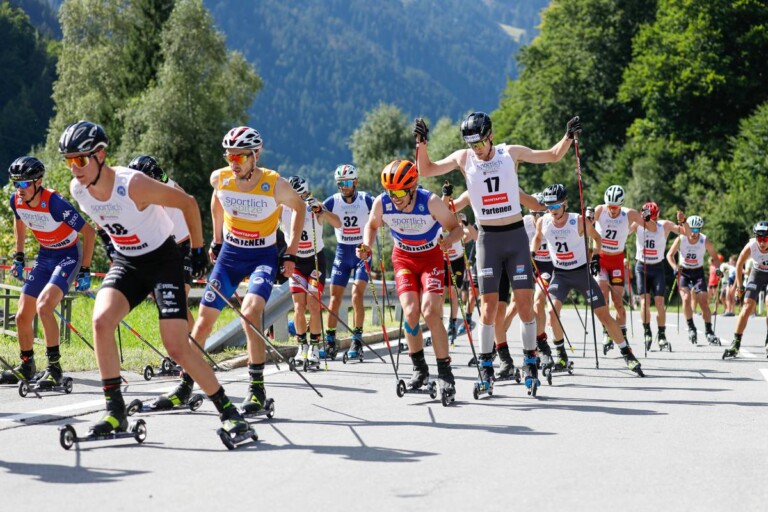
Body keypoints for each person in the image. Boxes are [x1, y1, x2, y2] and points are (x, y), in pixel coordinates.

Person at [60, 120, 249, 437]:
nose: (74, 169)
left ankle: (228, 411)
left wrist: (199, 250)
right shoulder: (78, 189)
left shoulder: (132, 184)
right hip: (128, 262)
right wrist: (110, 241)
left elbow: (188, 203)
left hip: (163, 261)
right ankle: (115, 412)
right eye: (69, 161)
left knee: (176, 347)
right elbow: (107, 220)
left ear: (100, 155)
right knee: (102, 321)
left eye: (80, 160)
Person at [414, 112, 581, 392]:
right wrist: (421, 143)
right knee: (489, 308)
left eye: (480, 143)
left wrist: (568, 136)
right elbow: (427, 169)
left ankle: (530, 362)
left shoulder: (509, 153)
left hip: (515, 237)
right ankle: (487, 365)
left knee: (525, 305)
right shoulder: (463, 158)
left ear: (490, 136)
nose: (476, 150)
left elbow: (552, 155)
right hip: (488, 239)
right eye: (471, 145)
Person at [160, 126, 304, 415]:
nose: (234, 163)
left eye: (240, 157)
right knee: (202, 323)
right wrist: (216, 239)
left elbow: (299, 208)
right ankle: (186, 385)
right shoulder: (221, 177)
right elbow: (216, 201)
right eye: (229, 156)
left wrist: (291, 252)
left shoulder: (274, 184)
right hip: (230, 256)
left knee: (250, 314)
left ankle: (257, 390)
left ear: (255, 155)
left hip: (262, 257)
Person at [358, 159, 462, 400]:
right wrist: (366, 245)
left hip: (431, 259)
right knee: (411, 311)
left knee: (431, 312)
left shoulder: (431, 201)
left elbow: (456, 228)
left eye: (400, 192)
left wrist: (450, 240)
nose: (395, 197)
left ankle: (445, 372)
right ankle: (419, 369)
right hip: (403, 259)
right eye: (390, 192)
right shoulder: (382, 203)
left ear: (413, 187)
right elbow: (372, 226)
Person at [0, 157, 95, 387]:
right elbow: (19, 221)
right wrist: (19, 255)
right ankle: (27, 366)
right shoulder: (17, 200)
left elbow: (89, 232)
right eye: (16, 184)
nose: (19, 190)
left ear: (38, 182)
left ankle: (54, 369)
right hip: (45, 257)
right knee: (22, 315)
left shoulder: (55, 203)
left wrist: (85, 269)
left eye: (24, 184)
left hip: (68, 256)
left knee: (44, 306)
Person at [531, 184, 644, 377]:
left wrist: (596, 258)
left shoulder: (578, 221)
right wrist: (531, 254)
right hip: (561, 274)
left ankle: (627, 353)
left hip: (581, 273)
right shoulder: (544, 222)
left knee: (603, 315)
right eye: (549, 207)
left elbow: (597, 239)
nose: (552, 211)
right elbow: (537, 237)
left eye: (556, 206)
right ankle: (561, 355)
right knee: (551, 311)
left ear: (565, 204)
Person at [128, 155, 195, 329]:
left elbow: (183, 195)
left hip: (184, 247)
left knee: (178, 300)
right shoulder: (137, 195)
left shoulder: (166, 186)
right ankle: (190, 345)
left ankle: (196, 344)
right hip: (164, 250)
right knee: (169, 302)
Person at [321, 165, 374, 360]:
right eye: (340, 184)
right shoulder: (333, 201)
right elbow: (317, 212)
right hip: (343, 252)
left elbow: (381, 213)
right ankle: (330, 342)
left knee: (356, 294)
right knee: (334, 298)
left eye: (348, 183)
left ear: (356, 182)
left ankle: (356, 340)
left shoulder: (366, 199)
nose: (344, 187)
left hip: (362, 252)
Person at [592, 185, 649, 353]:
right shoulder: (600, 210)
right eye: (610, 206)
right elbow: (584, 228)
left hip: (617, 260)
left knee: (618, 301)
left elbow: (651, 228)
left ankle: (622, 333)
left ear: (621, 205)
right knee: (603, 298)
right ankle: (606, 332)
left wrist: (647, 219)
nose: (612, 210)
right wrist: (587, 217)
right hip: (601, 258)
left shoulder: (629, 213)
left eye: (616, 207)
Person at [283, 176, 329, 367]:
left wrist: (322, 211)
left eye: (301, 195)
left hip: (315, 261)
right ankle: (302, 346)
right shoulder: (282, 209)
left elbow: (338, 223)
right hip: (296, 262)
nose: (297, 199)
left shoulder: (313, 207)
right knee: (298, 306)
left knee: (313, 304)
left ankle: (315, 348)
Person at [633, 201, 687, 351]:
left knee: (659, 304)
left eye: (655, 218)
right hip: (641, 267)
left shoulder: (665, 225)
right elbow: (624, 231)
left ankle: (662, 335)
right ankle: (647, 332)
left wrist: (683, 221)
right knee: (644, 303)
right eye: (650, 218)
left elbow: (686, 233)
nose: (653, 222)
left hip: (657, 268)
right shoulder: (638, 223)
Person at [666, 215, 724, 345]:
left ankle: (709, 331)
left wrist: (718, 269)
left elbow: (715, 258)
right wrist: (675, 267)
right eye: (691, 229)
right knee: (686, 299)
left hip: (697, 273)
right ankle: (691, 328)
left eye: (697, 230)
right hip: (684, 273)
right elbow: (669, 255)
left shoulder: (704, 240)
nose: (693, 233)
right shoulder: (681, 238)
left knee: (703, 301)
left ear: (701, 230)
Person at [724, 221, 768, 359]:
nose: (762, 242)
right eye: (759, 238)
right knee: (747, 305)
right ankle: (736, 342)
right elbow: (739, 264)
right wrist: (739, 287)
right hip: (757, 273)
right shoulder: (751, 246)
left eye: (765, 238)